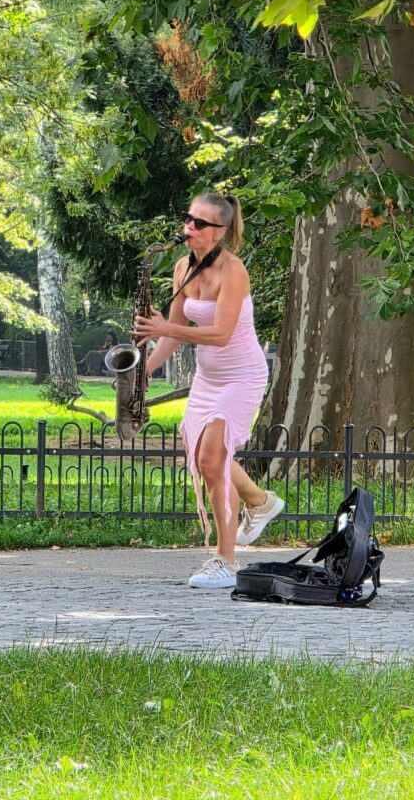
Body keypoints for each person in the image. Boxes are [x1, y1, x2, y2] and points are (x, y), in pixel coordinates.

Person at [134, 192, 284, 589]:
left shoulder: (233, 271)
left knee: (214, 459)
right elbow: (172, 333)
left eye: (199, 224)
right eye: (188, 219)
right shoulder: (183, 266)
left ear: (220, 231)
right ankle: (260, 501)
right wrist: (144, 370)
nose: (189, 229)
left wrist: (164, 328)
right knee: (204, 461)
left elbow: (219, 334)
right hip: (208, 379)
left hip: (241, 375)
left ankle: (226, 561)